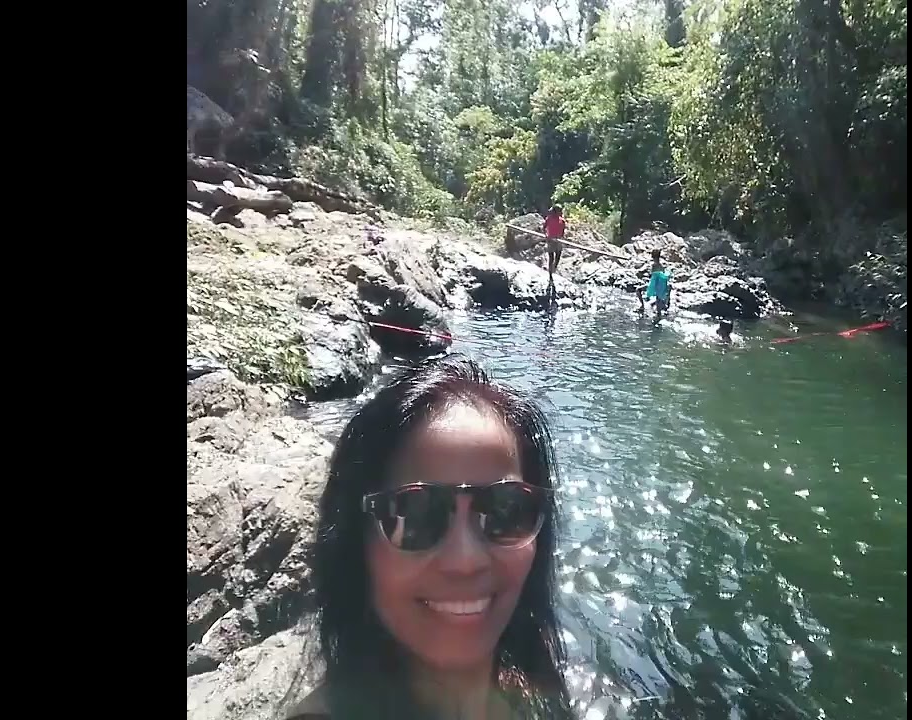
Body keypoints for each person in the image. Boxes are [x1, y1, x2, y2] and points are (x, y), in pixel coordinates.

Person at [285, 356, 573, 720]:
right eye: (416, 514)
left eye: (506, 510)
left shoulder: (533, 686)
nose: (465, 560)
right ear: (356, 544)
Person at [644, 249, 672, 320]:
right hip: (661, 285)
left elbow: (653, 277)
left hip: (655, 285)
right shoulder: (661, 265)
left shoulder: (654, 265)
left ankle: (657, 316)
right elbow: (663, 276)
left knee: (657, 302)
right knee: (658, 301)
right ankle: (661, 312)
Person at [541, 206, 566, 285]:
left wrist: (560, 237)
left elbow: (562, 231)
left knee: (558, 255)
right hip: (550, 240)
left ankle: (554, 268)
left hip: (558, 240)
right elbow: (544, 227)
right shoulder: (549, 219)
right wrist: (546, 235)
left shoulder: (562, 221)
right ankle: (550, 274)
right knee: (551, 257)